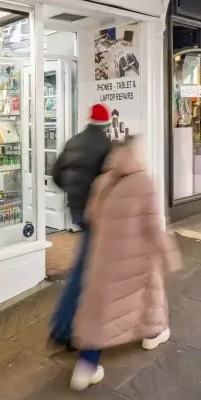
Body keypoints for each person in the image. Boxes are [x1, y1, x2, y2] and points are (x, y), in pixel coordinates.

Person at [70, 136, 181, 391]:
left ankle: (86, 366)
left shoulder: (102, 181)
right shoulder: (144, 183)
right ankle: (152, 334)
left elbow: (91, 216)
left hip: (104, 259)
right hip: (137, 258)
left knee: (99, 311)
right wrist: (170, 255)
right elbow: (154, 227)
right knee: (148, 294)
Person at [48, 104, 114, 348]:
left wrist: (73, 195)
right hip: (95, 214)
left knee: (90, 265)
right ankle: (64, 328)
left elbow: (56, 174)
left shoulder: (74, 141)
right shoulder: (106, 146)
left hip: (76, 210)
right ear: (106, 123)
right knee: (84, 269)